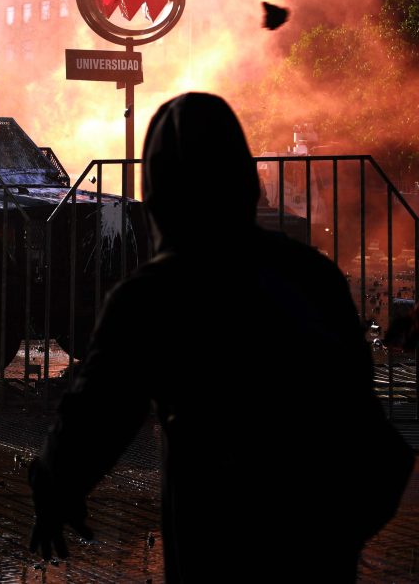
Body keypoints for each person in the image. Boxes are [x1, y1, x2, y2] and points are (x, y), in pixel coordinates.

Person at [28, 93, 415, 582]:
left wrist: (55, 489)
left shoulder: (154, 291)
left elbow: (100, 411)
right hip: (321, 541)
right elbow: (365, 416)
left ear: (160, 191)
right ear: (244, 179)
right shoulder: (313, 274)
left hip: (215, 535)